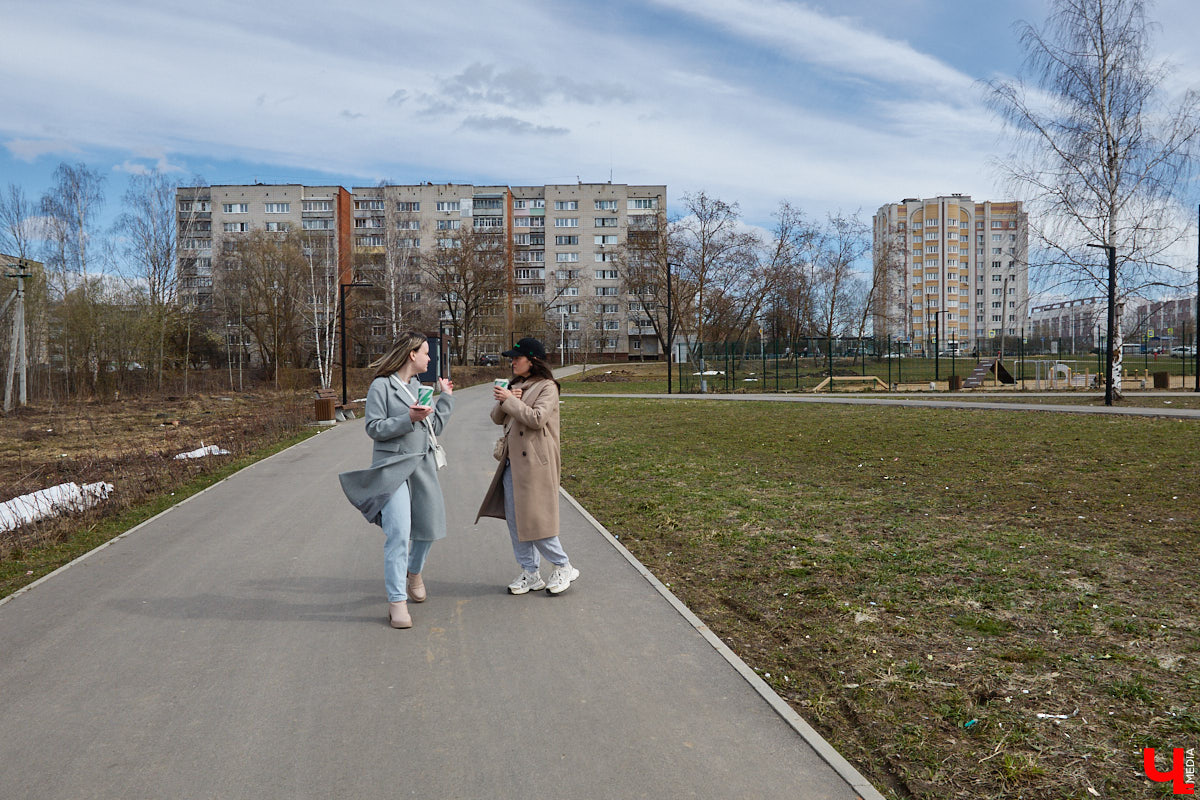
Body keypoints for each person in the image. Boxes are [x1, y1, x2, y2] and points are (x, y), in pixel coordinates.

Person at [338, 331, 454, 629]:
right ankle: (397, 601)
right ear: (412, 354)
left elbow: (433, 428)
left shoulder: (418, 386)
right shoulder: (382, 386)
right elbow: (374, 428)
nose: (429, 358)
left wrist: (445, 399)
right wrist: (408, 419)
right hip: (392, 468)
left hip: (422, 466)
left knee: (429, 529)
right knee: (400, 533)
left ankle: (413, 572)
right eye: (426, 352)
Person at [476, 337, 578, 595]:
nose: (512, 362)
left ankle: (563, 565)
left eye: (517, 358)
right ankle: (530, 572)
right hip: (512, 463)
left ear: (532, 360)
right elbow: (496, 418)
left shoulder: (548, 387)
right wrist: (505, 399)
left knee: (536, 519)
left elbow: (537, 419)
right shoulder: (516, 385)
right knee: (516, 521)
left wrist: (512, 401)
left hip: (536, 464)